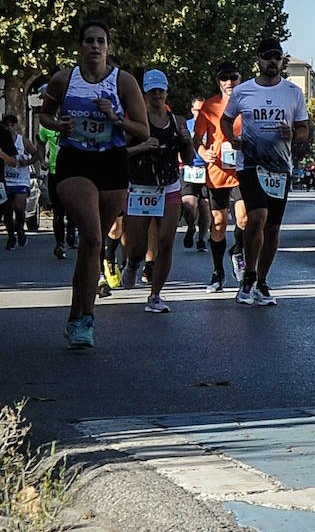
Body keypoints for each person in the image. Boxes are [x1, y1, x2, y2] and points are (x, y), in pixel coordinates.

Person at [37, 20, 149, 348]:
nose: (95, 46)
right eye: (89, 41)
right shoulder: (64, 79)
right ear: (80, 47)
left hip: (111, 162)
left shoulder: (123, 81)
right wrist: (59, 125)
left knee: (92, 245)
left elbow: (142, 130)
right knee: (92, 237)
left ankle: (77, 317)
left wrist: (115, 118)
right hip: (74, 162)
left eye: (101, 41)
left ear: (108, 47)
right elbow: (44, 116)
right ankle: (84, 319)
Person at [221, 39, 310, 306]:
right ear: (258, 60)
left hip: (280, 167)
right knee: (257, 217)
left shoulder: (293, 92)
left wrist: (292, 133)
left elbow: (304, 131)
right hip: (250, 164)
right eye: (268, 57)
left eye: (277, 58)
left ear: (282, 61)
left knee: (272, 227)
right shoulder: (243, 91)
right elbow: (226, 120)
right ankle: (248, 277)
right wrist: (232, 139)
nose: (272, 62)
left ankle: (262, 281)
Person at [121, 70, 194, 313]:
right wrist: (141, 147)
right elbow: (117, 154)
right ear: (144, 94)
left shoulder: (177, 121)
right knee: (138, 247)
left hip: (169, 186)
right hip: (139, 188)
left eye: (160, 90)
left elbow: (189, 159)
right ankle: (133, 263)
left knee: (165, 241)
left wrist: (187, 142)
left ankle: (155, 295)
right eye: (152, 91)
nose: (157, 95)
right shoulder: (135, 121)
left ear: (166, 92)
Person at [194, 61, 248, 293]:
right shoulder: (209, 106)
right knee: (218, 223)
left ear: (240, 79)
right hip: (217, 172)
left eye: (233, 77)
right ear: (218, 82)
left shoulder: (247, 103)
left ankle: (237, 251)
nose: (229, 82)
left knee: (244, 219)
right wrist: (203, 152)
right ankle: (217, 273)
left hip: (242, 169)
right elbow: (197, 138)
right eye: (224, 78)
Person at [37, 102, 75, 260]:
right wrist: (42, 160)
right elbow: (40, 143)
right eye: (59, 108)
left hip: (74, 173)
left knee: (73, 208)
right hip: (55, 171)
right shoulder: (48, 127)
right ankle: (59, 244)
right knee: (58, 211)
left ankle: (71, 229)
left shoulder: (75, 126)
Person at [1, 114, 39, 249]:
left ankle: (20, 229)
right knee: (7, 211)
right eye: (7, 126)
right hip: (6, 180)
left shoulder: (22, 141)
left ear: (16, 126)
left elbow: (36, 154)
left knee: (19, 207)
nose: (10, 128)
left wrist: (28, 162)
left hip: (21, 180)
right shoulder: (2, 140)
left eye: (12, 125)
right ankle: (11, 236)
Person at [180, 97, 211, 252]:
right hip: (190, 169)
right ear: (192, 110)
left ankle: (201, 239)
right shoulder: (186, 125)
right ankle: (191, 226)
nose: (201, 113)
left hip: (208, 170)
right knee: (189, 206)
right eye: (198, 110)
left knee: (205, 207)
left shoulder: (212, 124)